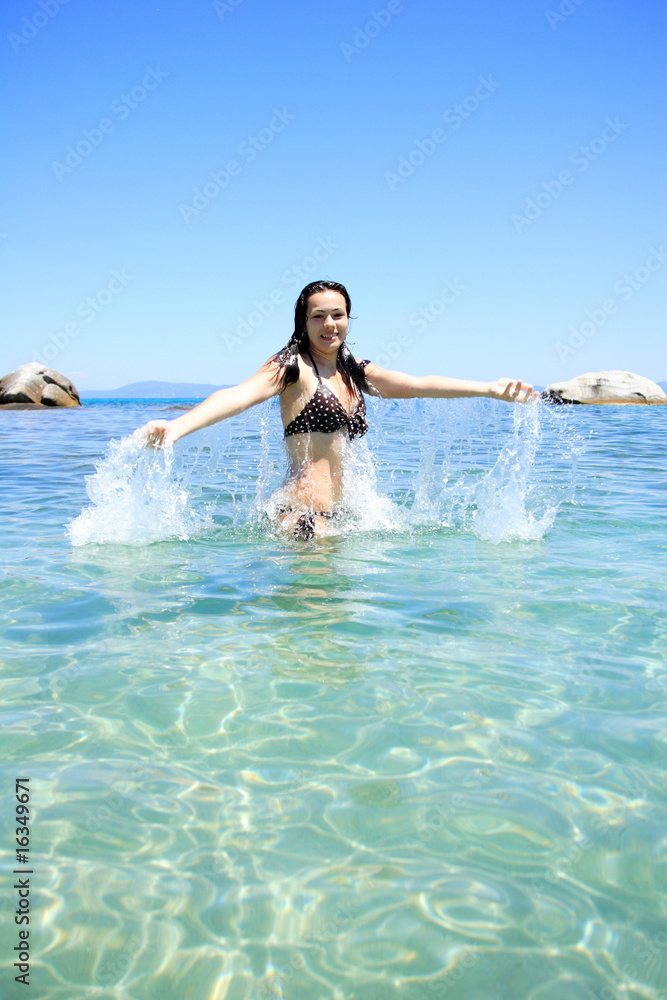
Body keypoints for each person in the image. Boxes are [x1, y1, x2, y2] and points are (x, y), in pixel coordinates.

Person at [140, 280, 536, 539]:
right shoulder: (291, 368)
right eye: (318, 316)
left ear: (348, 319)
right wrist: (177, 428)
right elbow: (236, 396)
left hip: (337, 517)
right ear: (303, 322)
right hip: (302, 518)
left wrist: (489, 389)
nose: (329, 324)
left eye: (338, 315)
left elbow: (417, 385)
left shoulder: (356, 373)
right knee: (318, 621)